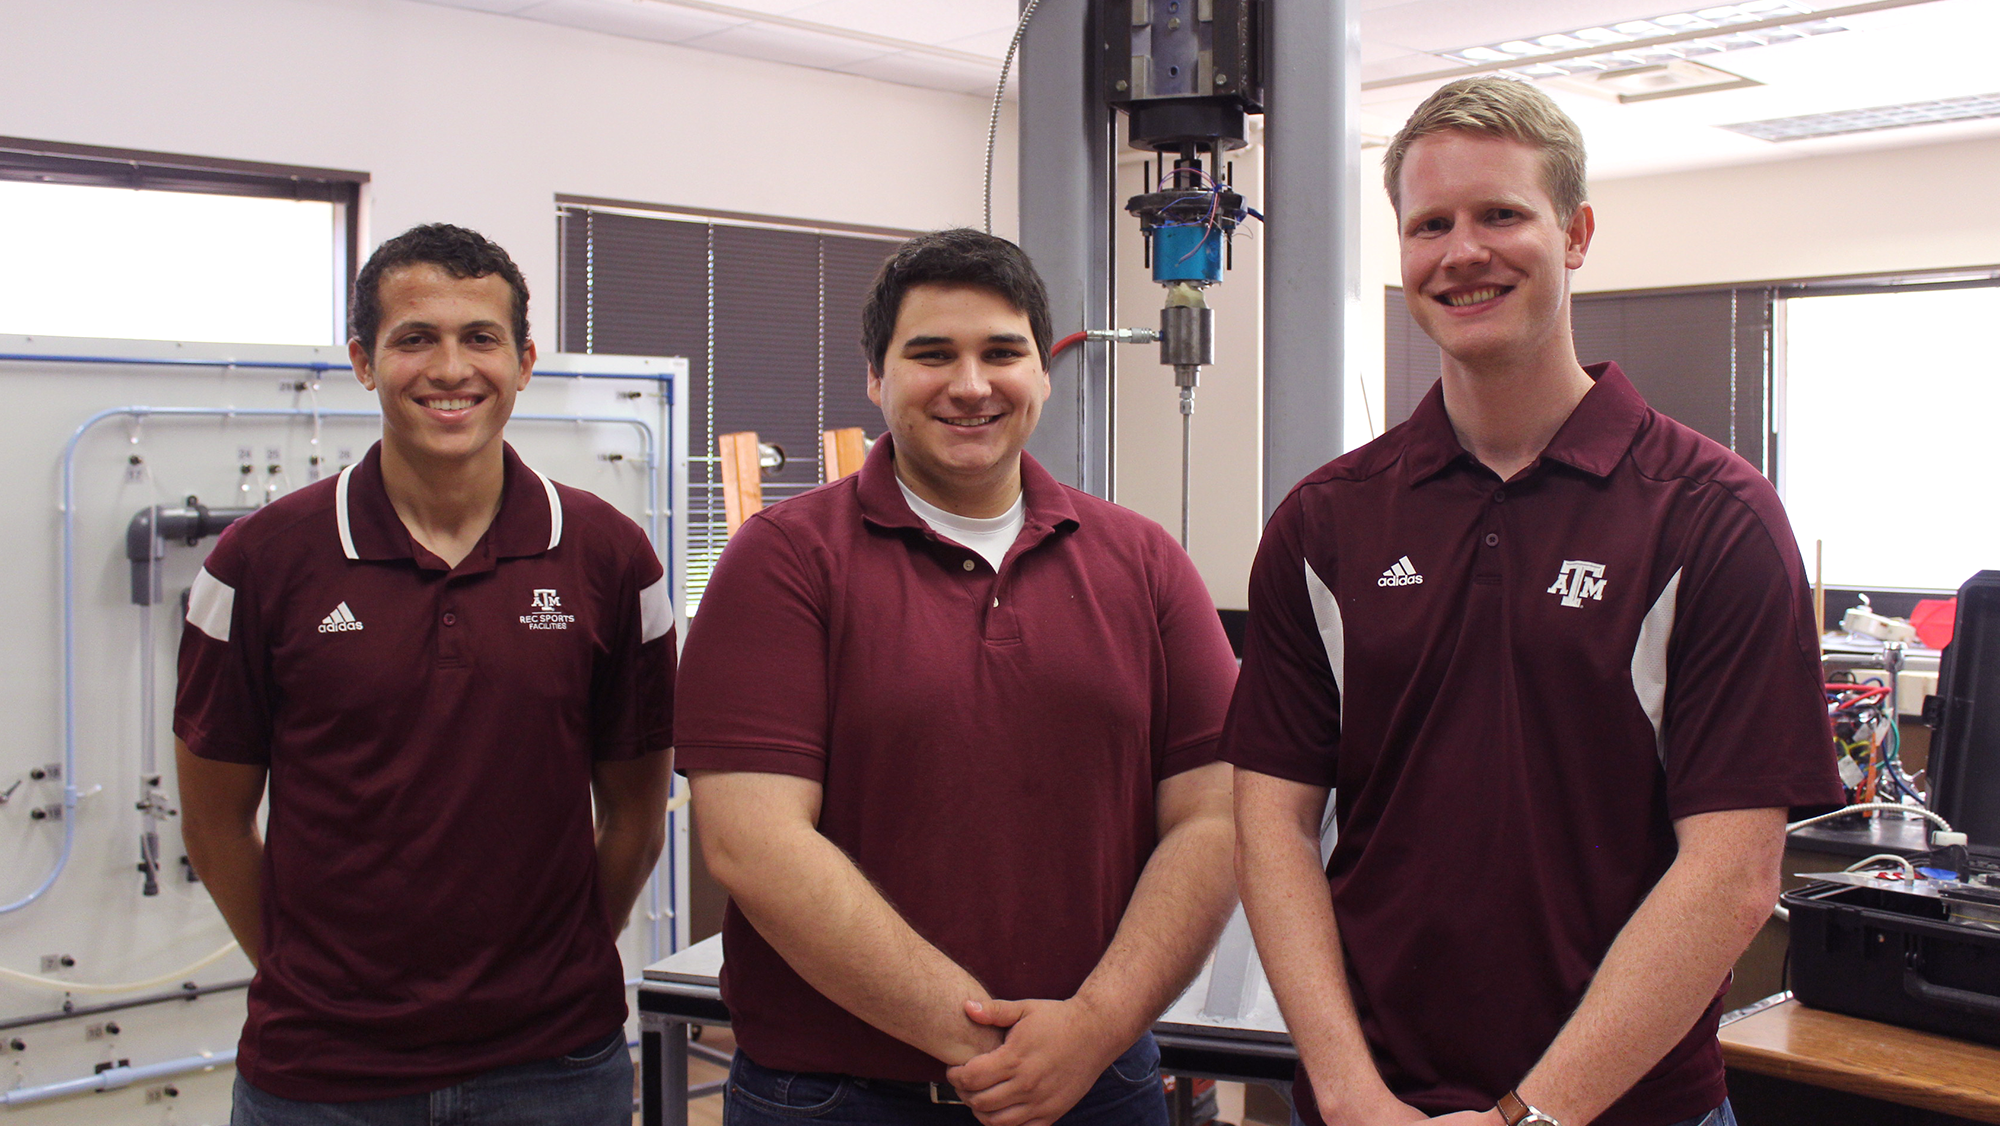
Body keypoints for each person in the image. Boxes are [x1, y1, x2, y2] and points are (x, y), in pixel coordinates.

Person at [1225, 77, 1843, 1126]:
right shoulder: (1323, 525)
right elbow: (1271, 825)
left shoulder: (1709, 518)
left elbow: (1732, 872)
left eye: (1499, 213)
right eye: (1428, 225)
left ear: (1575, 233)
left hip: (1626, 1110)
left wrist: (1530, 1116)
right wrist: (1346, 1092)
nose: (1461, 252)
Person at [675, 228, 1240, 1126]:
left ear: (1043, 374)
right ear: (877, 377)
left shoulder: (1144, 562)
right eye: (931, 354)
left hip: (1101, 1085)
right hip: (835, 1099)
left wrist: (1092, 1030)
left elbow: (1214, 816)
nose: (971, 385)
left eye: (1002, 353)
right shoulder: (781, 562)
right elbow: (755, 844)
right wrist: (999, 1051)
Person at [174, 223, 675, 1124]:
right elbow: (214, 822)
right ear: (365, 362)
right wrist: (308, 976)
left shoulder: (611, 559)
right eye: (416, 339)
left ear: (524, 361)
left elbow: (636, 812)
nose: (451, 369)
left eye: (480, 338)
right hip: (321, 1078)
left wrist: (552, 968)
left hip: (557, 1068)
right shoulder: (259, 561)